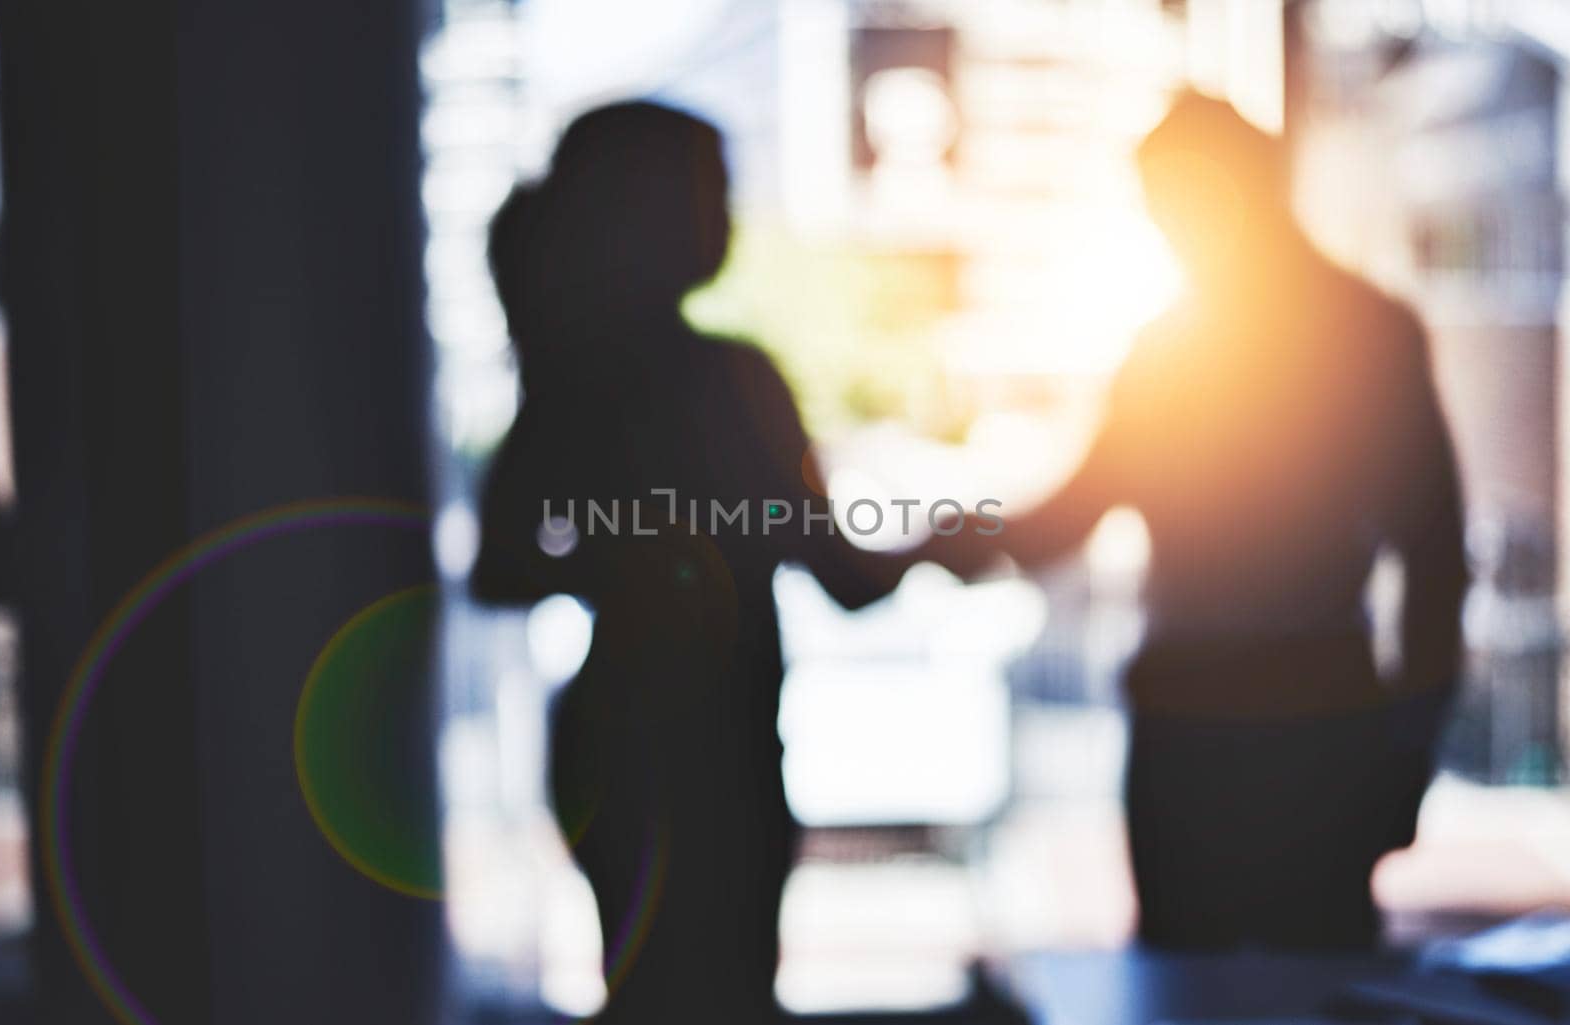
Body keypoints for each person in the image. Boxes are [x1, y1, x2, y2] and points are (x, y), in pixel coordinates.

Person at [942, 93, 1468, 950]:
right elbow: (1434, 558)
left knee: (1192, 981)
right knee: (1314, 976)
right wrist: (1409, 743)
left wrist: (939, 538)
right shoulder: (1366, 331)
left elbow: (1068, 517)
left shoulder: (1174, 349)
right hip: (1315, 708)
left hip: (1199, 717)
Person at [469, 101, 922, 1024]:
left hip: (616, 740)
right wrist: (944, 545)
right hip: (719, 751)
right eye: (715, 193)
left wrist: (622, 562)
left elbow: (500, 566)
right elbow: (844, 577)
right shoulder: (732, 379)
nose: (728, 218)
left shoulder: (572, 375)